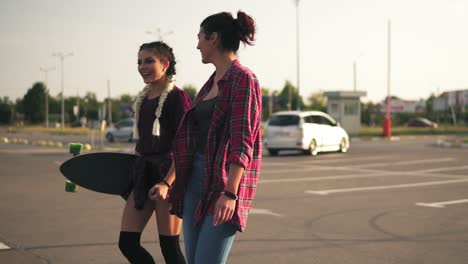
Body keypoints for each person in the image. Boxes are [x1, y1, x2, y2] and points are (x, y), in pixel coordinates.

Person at [156, 10, 262, 264]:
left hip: (222, 182)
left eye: (200, 37)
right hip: (194, 180)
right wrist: (168, 181)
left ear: (213, 38)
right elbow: (189, 141)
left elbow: (242, 141)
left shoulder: (243, 80)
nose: (197, 44)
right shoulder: (211, 82)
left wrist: (230, 194)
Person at [119, 41, 191, 264]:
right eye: (139, 62)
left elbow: (186, 146)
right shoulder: (143, 99)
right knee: (127, 243)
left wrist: (167, 183)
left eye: (149, 60)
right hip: (144, 174)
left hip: (169, 175)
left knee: (169, 247)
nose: (142, 66)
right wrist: (132, 180)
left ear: (165, 64)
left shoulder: (177, 98)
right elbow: (141, 146)